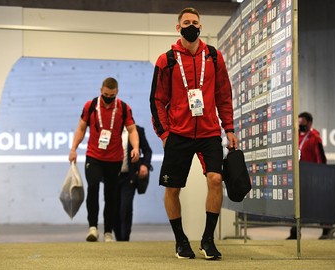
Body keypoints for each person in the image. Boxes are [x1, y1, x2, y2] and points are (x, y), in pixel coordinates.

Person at [149, 7, 237, 260]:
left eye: (195, 22)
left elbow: (224, 95)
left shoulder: (214, 57)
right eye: (186, 22)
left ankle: (208, 240)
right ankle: (181, 241)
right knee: (173, 189)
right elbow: (157, 99)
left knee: (216, 180)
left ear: (201, 26)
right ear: (178, 28)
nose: (191, 25)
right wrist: (164, 134)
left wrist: (228, 128)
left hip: (209, 131)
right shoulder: (166, 60)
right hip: (178, 133)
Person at [69, 77, 140, 242]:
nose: (109, 98)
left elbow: (132, 130)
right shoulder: (91, 106)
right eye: (106, 94)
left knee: (111, 194)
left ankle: (108, 231)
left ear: (117, 93)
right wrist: (73, 149)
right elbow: (81, 128)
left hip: (114, 158)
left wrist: (135, 147)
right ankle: (92, 228)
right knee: (93, 187)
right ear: (101, 90)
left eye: (112, 95)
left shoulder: (123, 108)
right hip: (94, 155)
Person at [287, 111, 327, 240]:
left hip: (312, 177)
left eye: (303, 124)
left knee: (319, 204)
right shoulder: (296, 136)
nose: (301, 126)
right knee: (298, 205)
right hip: (299, 177)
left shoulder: (315, 138)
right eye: (299, 124)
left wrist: (320, 176)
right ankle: (294, 232)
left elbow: (321, 158)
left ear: (309, 123)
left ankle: (326, 230)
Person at [114, 125, 153, 241]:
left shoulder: (138, 131)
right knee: (114, 209)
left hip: (129, 177)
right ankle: (118, 238)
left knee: (125, 208)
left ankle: (125, 238)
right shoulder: (111, 128)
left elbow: (147, 150)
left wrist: (145, 165)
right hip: (113, 177)